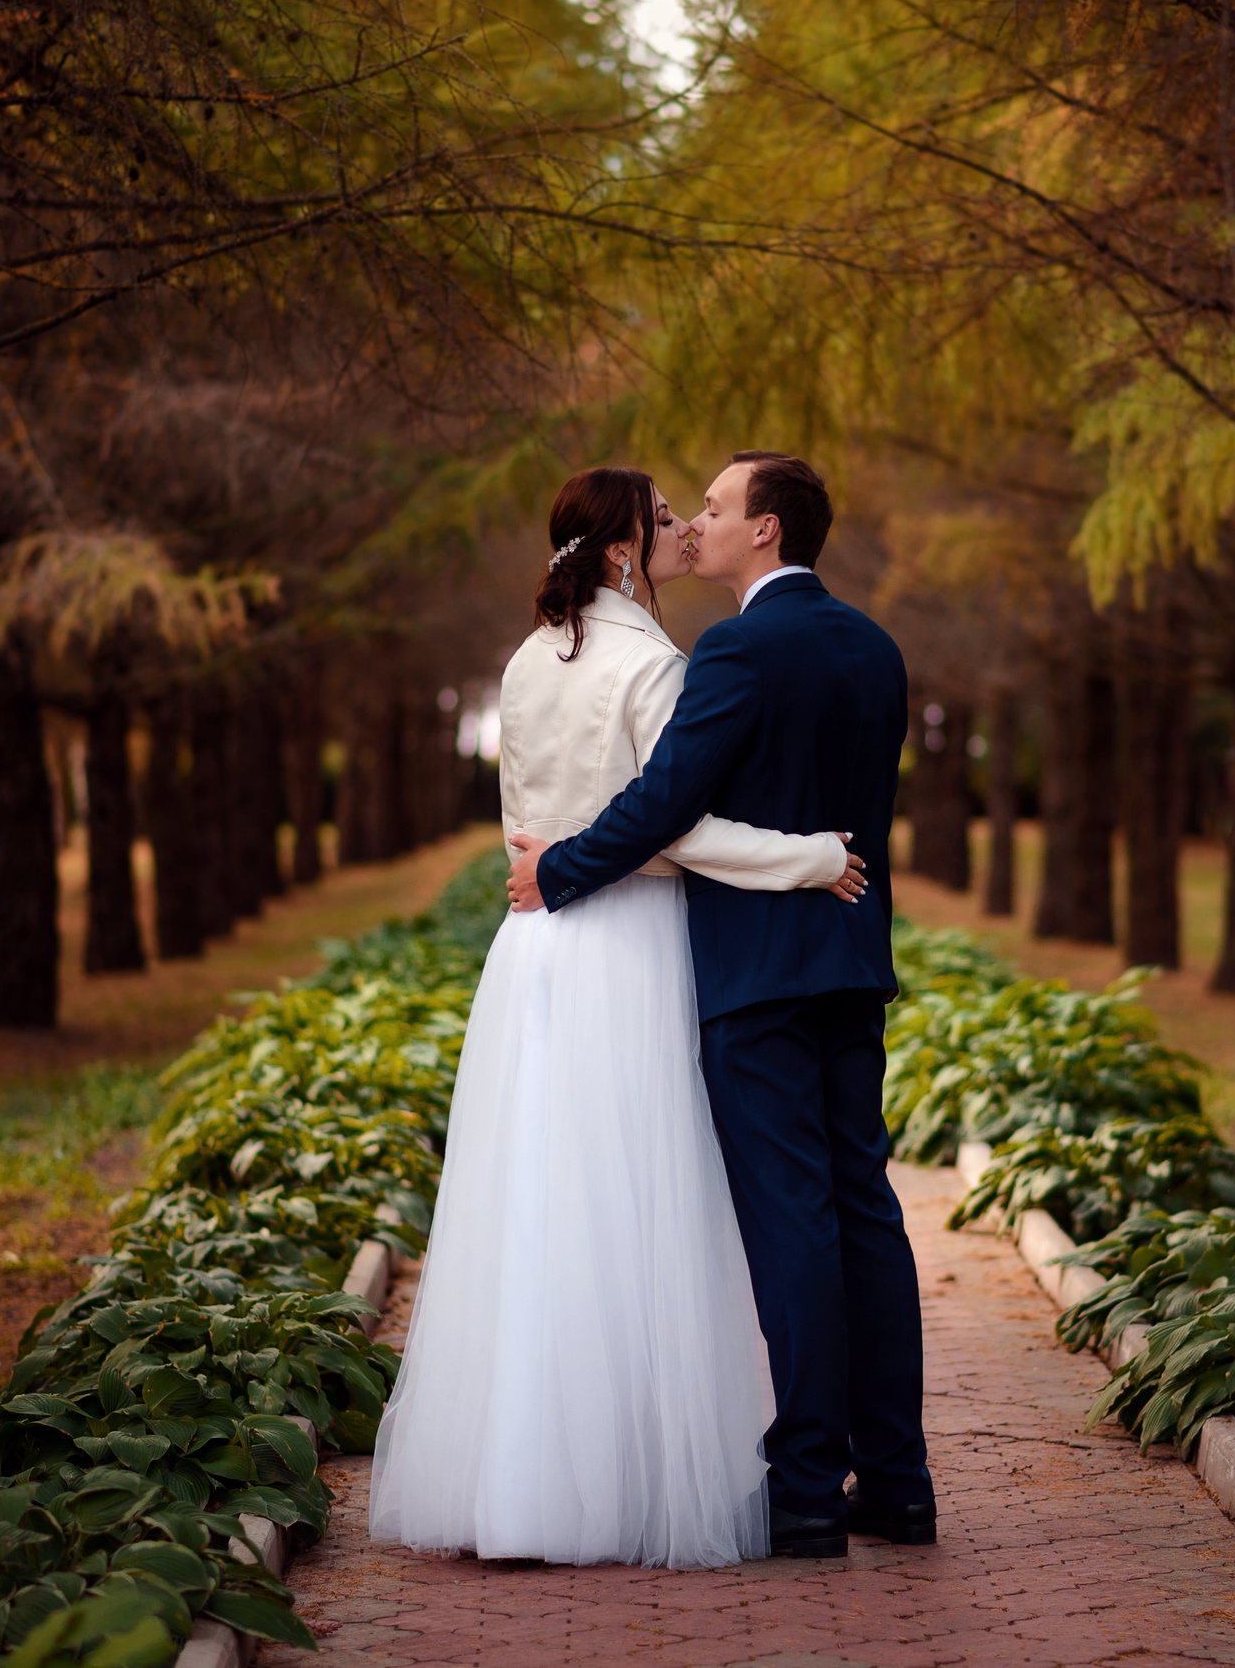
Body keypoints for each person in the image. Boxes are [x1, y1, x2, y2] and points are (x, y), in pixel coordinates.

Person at [367, 466, 863, 1570]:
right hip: (626, 944)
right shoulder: (653, 664)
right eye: (667, 520)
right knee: (629, 1207)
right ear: (629, 549)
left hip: (533, 948)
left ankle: (523, 1477)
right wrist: (809, 857)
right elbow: (673, 829)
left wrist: (548, 870)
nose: (688, 528)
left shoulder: (524, 660)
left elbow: (520, 837)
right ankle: (622, 1475)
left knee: (540, 1205)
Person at [507, 451, 934, 1560]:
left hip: (756, 976)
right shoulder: (878, 649)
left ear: (769, 533)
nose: (695, 522)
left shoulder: (737, 648)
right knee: (867, 1211)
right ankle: (895, 1478)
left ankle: (802, 1486)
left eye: (716, 507)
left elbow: (662, 804)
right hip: (851, 959)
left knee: (793, 1218)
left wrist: (555, 869)